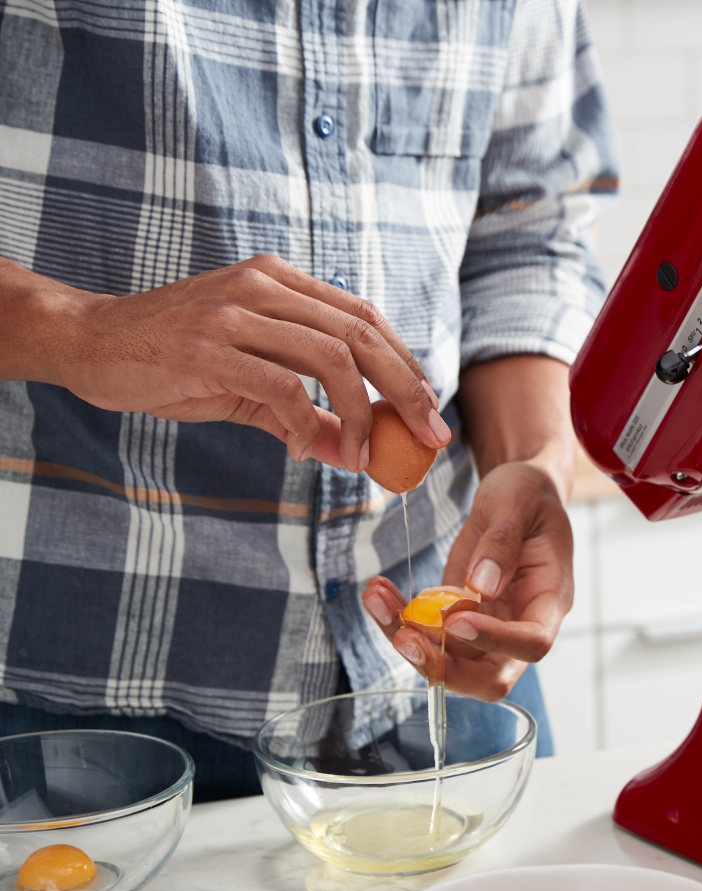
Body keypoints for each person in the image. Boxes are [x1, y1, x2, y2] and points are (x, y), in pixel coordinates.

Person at [0, 0, 616, 800]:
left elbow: (526, 240)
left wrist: (532, 465)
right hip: (74, 707)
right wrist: (82, 329)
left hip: (441, 663)